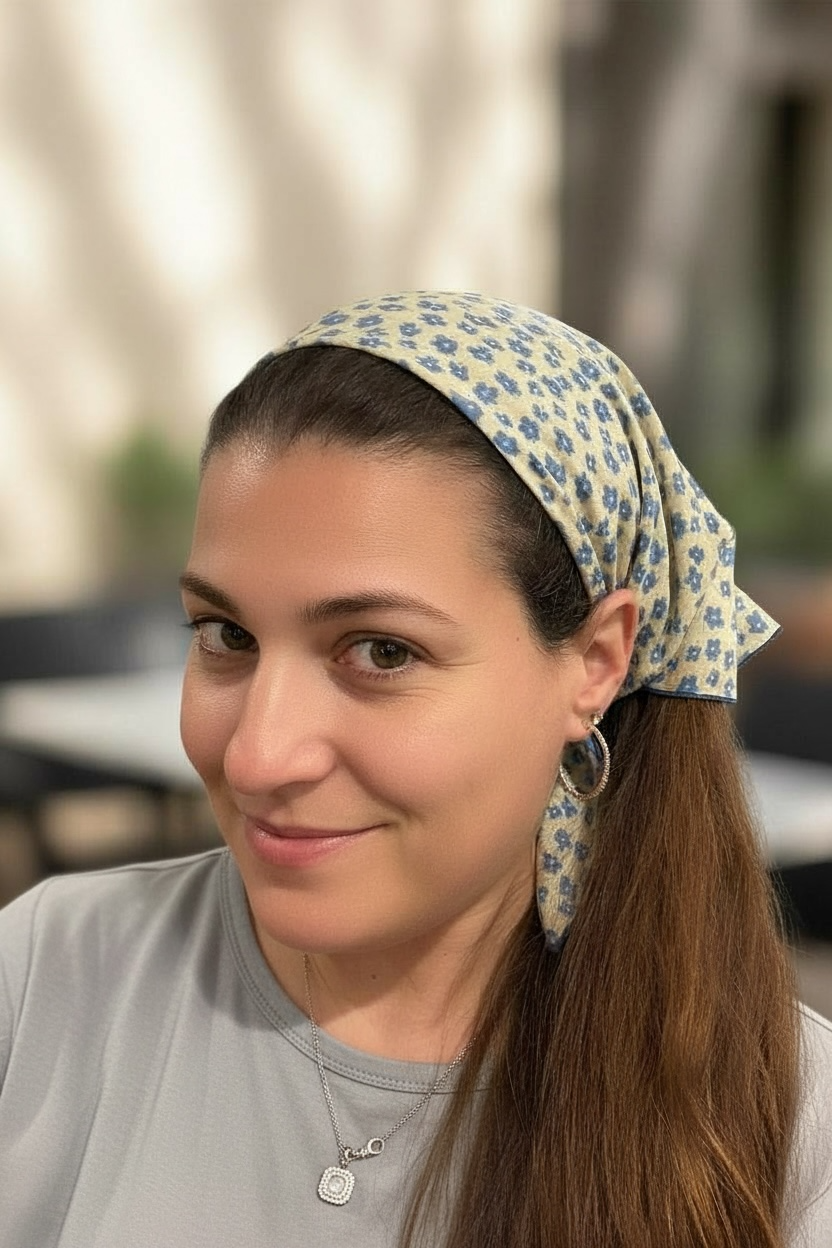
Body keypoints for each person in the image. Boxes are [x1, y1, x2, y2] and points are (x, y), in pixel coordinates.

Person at [1, 291, 830, 1248]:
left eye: (382, 652)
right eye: (225, 634)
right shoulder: (47, 979)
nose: (258, 755)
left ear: (597, 662)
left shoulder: (790, 1135)